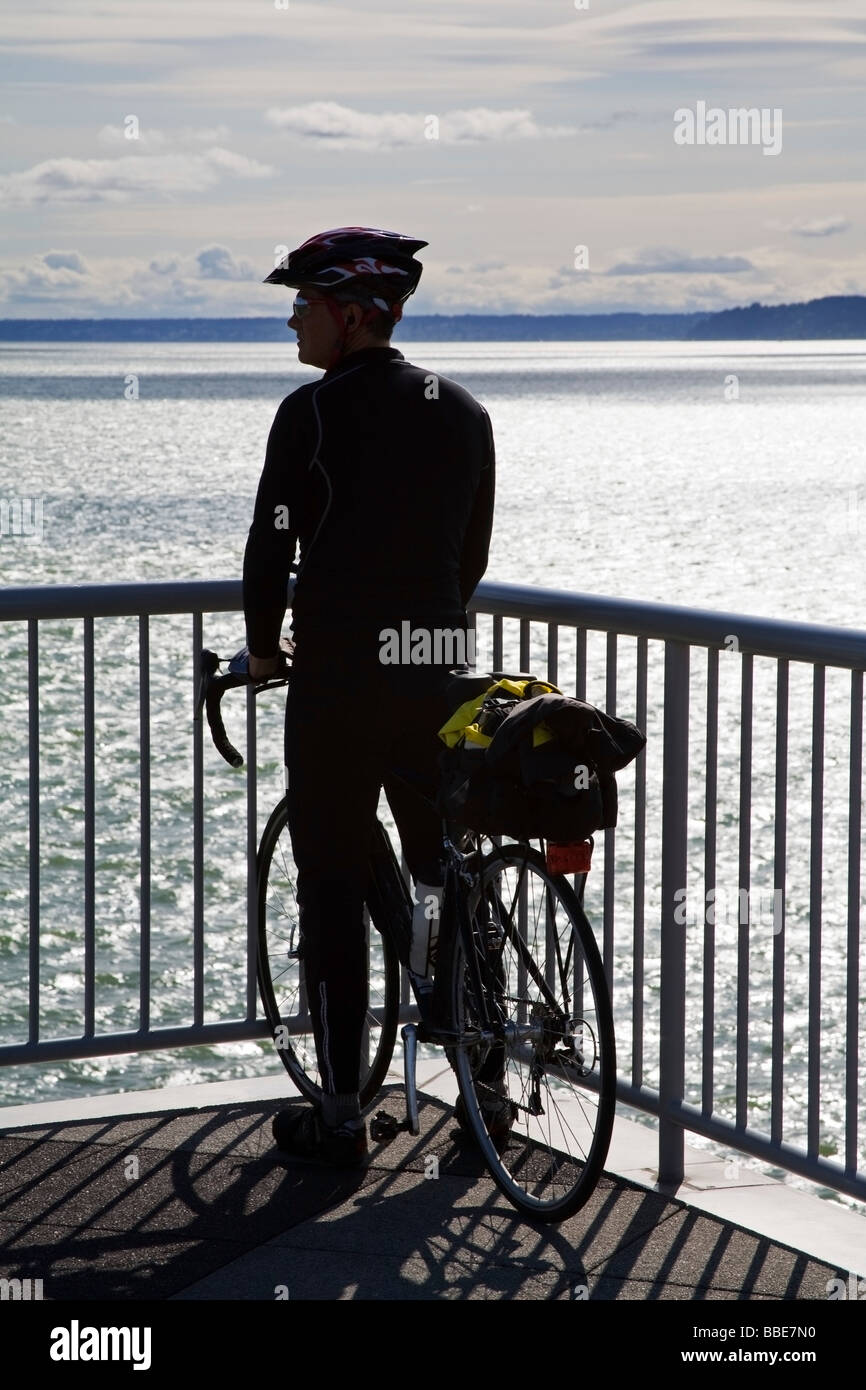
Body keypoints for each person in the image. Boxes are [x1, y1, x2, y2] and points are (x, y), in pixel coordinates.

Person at [242, 226, 495, 1166]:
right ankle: (488, 1077)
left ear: (351, 316)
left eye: (303, 302)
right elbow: (468, 559)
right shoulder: (464, 412)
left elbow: (271, 551)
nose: (292, 320)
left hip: (342, 683)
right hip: (438, 674)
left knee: (333, 882)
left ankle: (343, 1114)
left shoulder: (308, 415)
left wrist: (268, 651)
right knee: (446, 875)